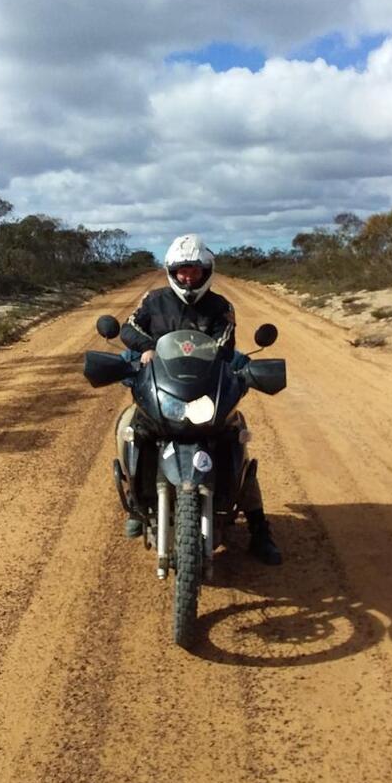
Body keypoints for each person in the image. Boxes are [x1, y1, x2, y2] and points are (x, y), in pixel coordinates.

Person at [117, 233, 282, 565]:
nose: (187, 277)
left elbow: (225, 345)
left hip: (204, 389)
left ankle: (258, 529)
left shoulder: (221, 307)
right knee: (128, 426)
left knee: (237, 439)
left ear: (206, 271)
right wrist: (146, 348)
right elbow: (129, 329)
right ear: (172, 271)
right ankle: (137, 502)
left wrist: (241, 372)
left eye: (193, 270)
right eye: (182, 271)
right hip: (163, 385)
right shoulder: (154, 300)